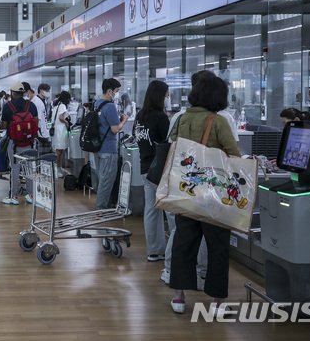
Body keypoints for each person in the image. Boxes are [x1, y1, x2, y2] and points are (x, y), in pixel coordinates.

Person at [168, 75, 241, 315]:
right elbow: (233, 154)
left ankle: (179, 297)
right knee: (217, 246)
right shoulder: (217, 121)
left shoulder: (182, 117)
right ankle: (218, 303)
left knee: (184, 243)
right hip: (213, 194)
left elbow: (174, 145)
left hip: (186, 190)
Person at [133, 80, 170, 262]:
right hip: (160, 169)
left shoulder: (140, 116)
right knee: (170, 210)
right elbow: (167, 142)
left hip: (145, 168)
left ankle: (154, 250)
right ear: (160, 96)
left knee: (151, 210)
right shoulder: (161, 117)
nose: (168, 97)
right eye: (166, 94)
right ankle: (171, 253)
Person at [168, 70, 239, 142]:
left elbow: (171, 144)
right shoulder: (225, 118)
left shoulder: (179, 117)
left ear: (193, 89)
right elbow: (232, 148)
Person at [94, 78, 128, 210]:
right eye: (116, 91)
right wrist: (124, 121)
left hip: (98, 147)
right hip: (108, 148)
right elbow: (115, 129)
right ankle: (102, 209)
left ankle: (104, 205)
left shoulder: (97, 104)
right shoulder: (110, 106)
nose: (117, 94)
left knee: (102, 179)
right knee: (107, 181)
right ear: (109, 91)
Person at [1, 82, 38, 205]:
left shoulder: (8, 106)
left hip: (14, 143)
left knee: (15, 168)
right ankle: (31, 195)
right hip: (29, 142)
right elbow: (36, 122)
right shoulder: (31, 105)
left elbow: (4, 125)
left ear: (13, 93)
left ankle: (13, 196)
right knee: (29, 168)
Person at [51, 91, 72, 178]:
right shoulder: (62, 106)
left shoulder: (57, 105)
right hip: (60, 130)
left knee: (59, 150)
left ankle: (59, 168)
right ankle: (56, 170)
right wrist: (67, 122)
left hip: (56, 130)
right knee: (59, 152)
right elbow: (60, 118)